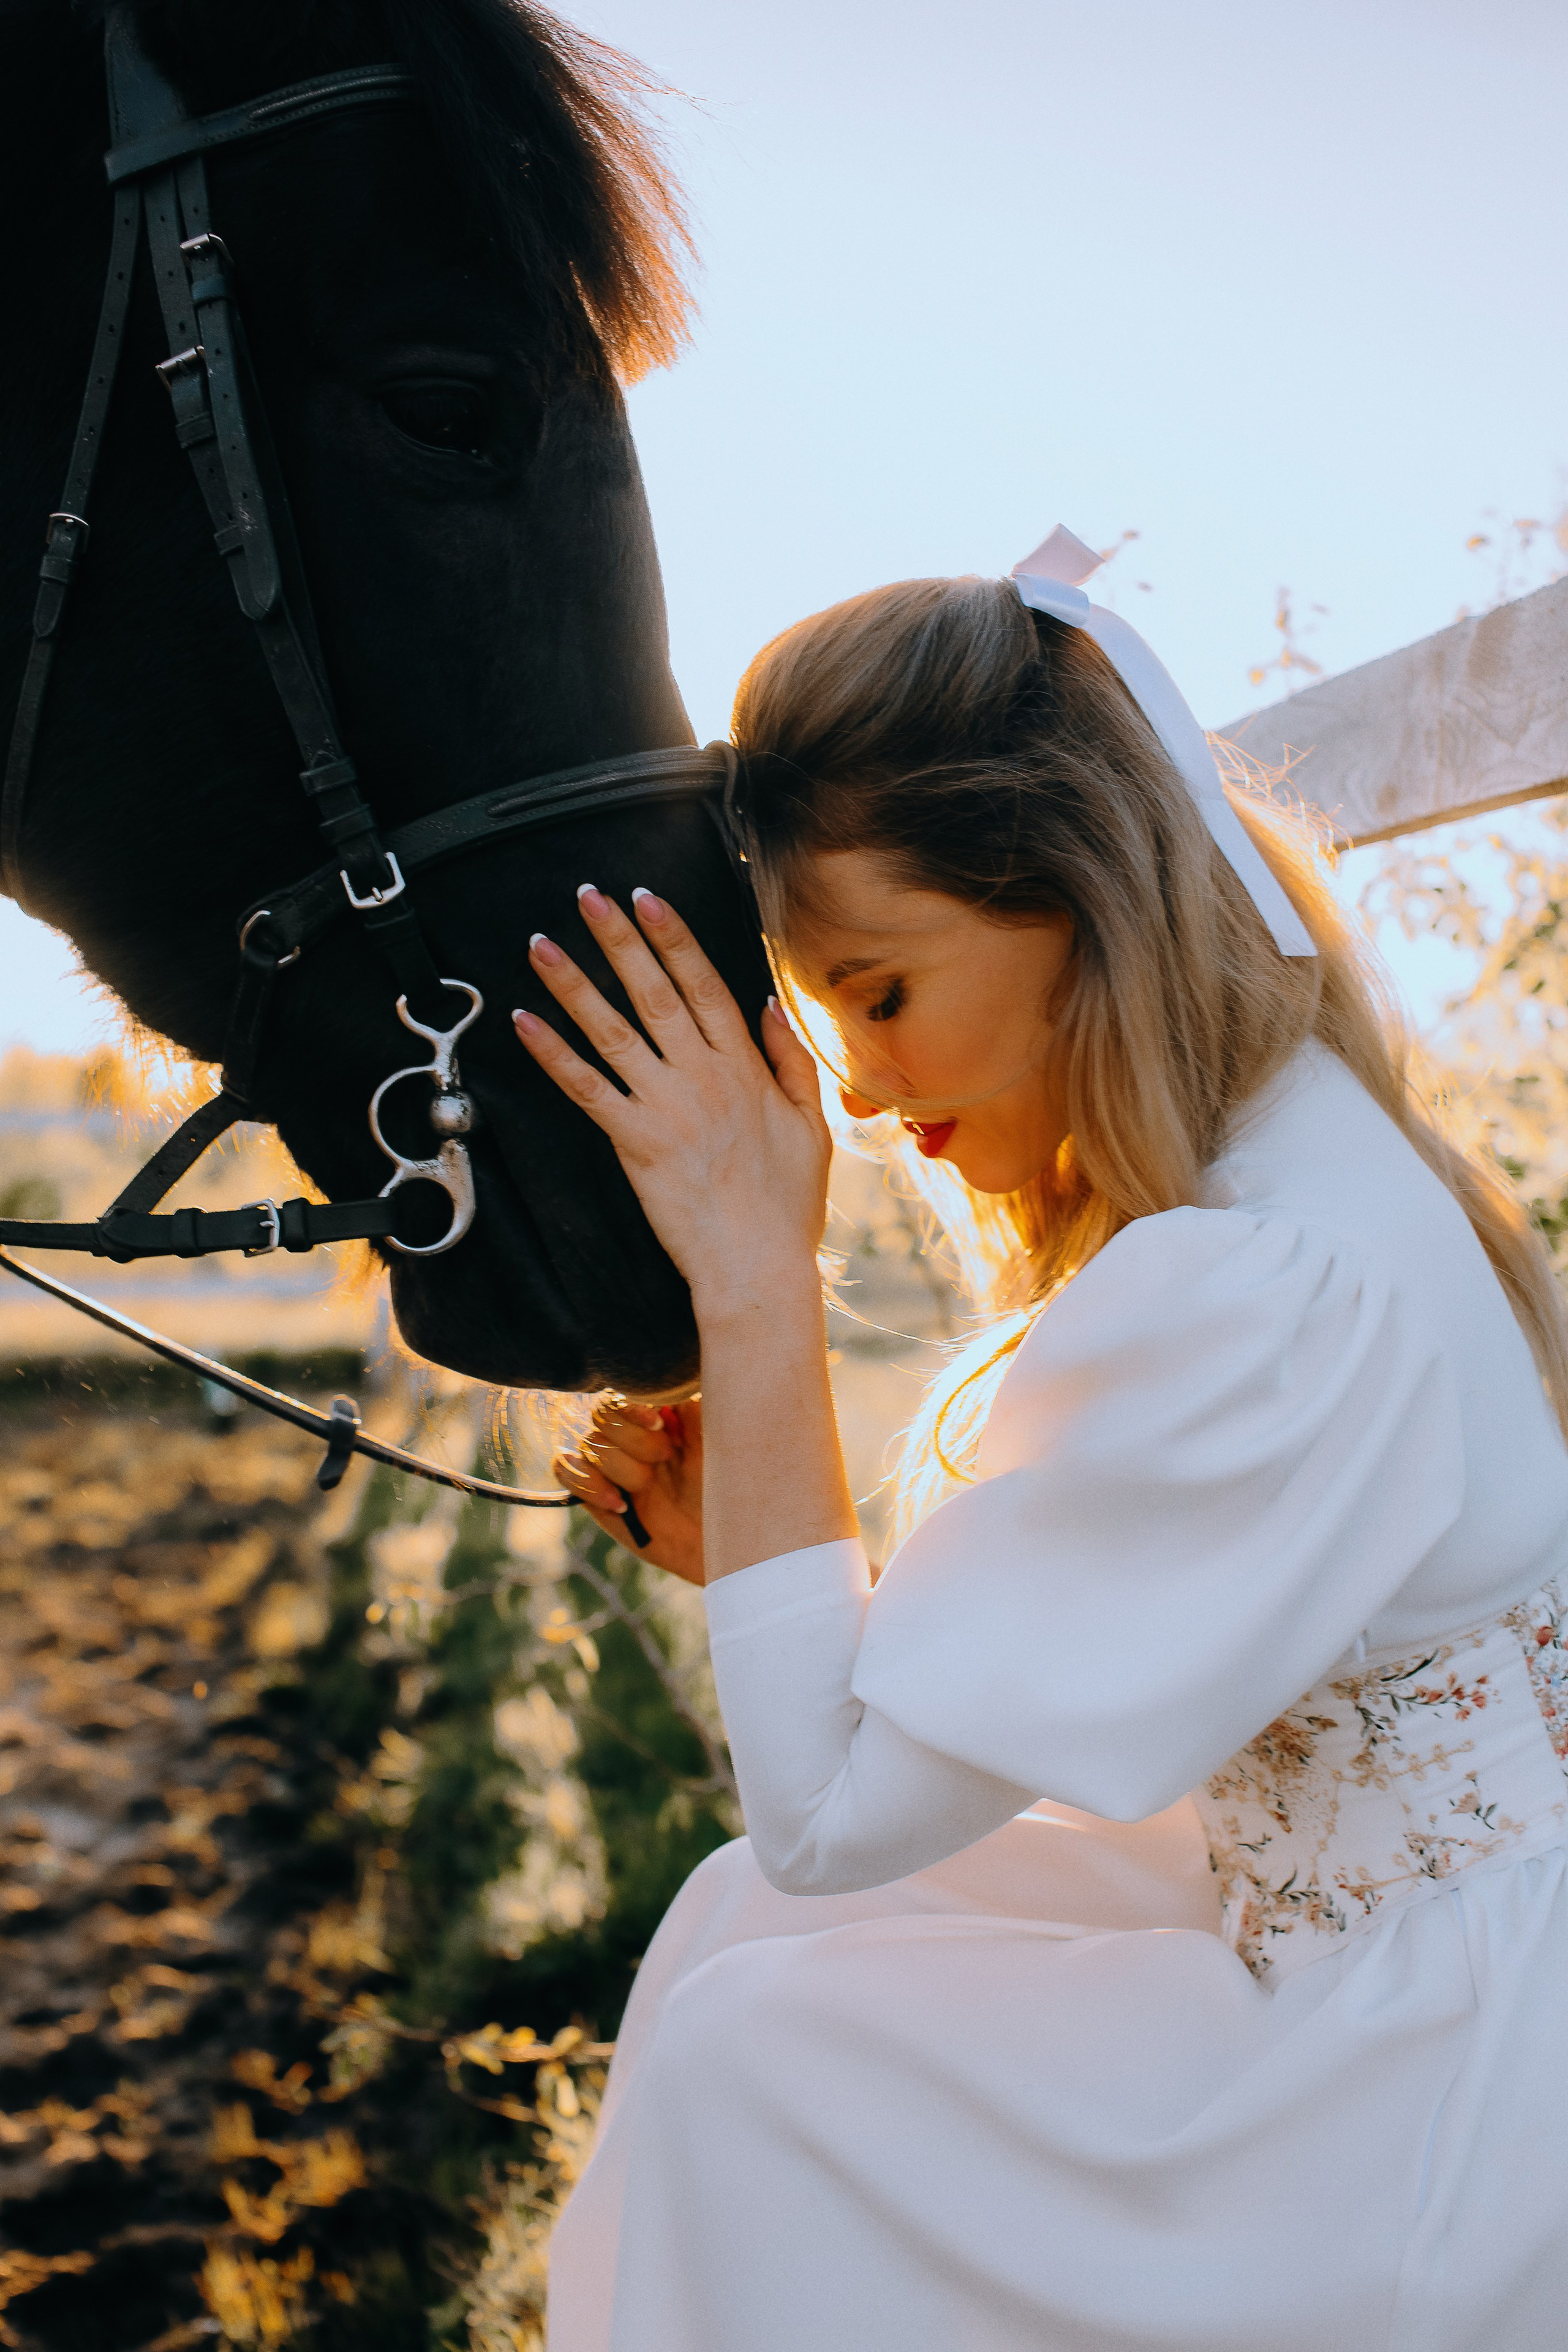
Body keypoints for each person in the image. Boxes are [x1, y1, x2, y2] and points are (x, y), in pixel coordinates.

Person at [513, 529, 1568, 2351]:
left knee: (763, 2063)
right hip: (1403, 1923)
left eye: (881, 991)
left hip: (1451, 2072)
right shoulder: (1302, 1158)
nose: (856, 1083)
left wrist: (754, 1274)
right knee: (741, 1945)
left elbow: (830, 1817)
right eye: (823, 1006)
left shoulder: (1268, 1279)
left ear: (1074, 895)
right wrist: (763, 1556)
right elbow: (1127, 1634)